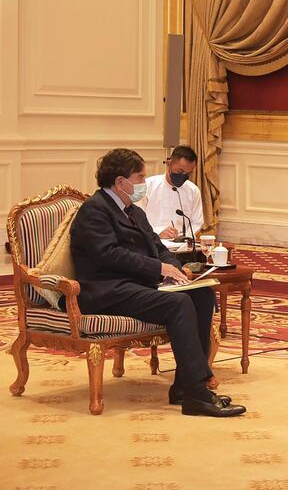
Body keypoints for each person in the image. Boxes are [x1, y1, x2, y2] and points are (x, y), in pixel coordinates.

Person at [70, 148, 245, 417]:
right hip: (106, 289)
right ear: (120, 182)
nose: (143, 183)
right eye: (139, 178)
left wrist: (175, 270)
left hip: (136, 285)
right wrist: (157, 268)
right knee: (178, 304)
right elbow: (109, 256)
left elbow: (158, 246)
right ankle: (197, 392)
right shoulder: (95, 210)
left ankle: (183, 386)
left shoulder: (133, 211)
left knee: (202, 296)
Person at [136, 145, 204, 240]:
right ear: (169, 164)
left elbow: (197, 221)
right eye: (180, 171)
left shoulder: (193, 190)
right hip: (153, 242)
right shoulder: (148, 186)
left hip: (182, 246)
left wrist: (186, 237)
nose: (184, 176)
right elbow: (137, 219)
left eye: (188, 174)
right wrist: (158, 232)